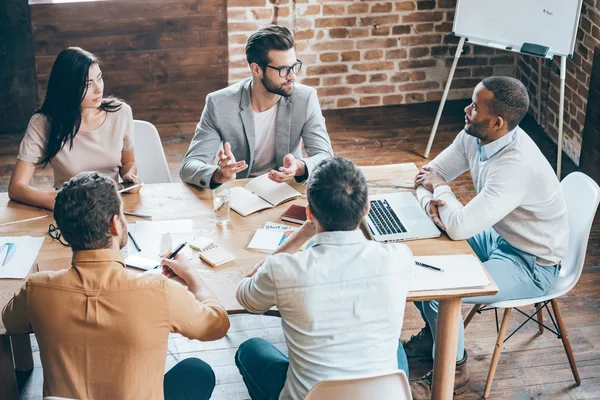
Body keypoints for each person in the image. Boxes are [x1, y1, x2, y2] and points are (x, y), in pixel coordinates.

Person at [2, 172, 230, 400]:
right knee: (197, 371)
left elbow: (11, 322)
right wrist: (190, 275)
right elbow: (217, 324)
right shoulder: (159, 290)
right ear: (115, 224)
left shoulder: (37, 289)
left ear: (64, 231)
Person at [409, 76, 568, 398]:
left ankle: (454, 374)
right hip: (498, 236)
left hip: (533, 263)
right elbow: (425, 175)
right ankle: (437, 339)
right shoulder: (474, 136)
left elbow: (454, 218)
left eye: (475, 107)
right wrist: (433, 199)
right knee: (421, 263)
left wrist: (439, 191)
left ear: (497, 122)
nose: (466, 110)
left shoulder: (514, 166)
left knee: (441, 290)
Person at [234, 157, 415, 400]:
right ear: (366, 209)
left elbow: (246, 296)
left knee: (250, 349)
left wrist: (300, 235)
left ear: (309, 213)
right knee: (391, 345)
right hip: (382, 395)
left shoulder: (282, 269)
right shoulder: (400, 258)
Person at [180, 25, 334, 189]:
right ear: (256, 69)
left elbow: (326, 157)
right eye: (283, 70)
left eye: (294, 66)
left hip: (284, 190)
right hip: (239, 192)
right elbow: (189, 166)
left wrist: (298, 166)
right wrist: (219, 174)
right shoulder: (219, 103)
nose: (292, 76)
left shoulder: (305, 99)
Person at [8, 47, 141, 211]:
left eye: (99, 78)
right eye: (87, 84)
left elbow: (128, 161)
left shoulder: (121, 112)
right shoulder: (43, 123)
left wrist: (129, 176)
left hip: (112, 207)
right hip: (69, 212)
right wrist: (55, 202)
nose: (98, 89)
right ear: (67, 87)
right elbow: (16, 187)